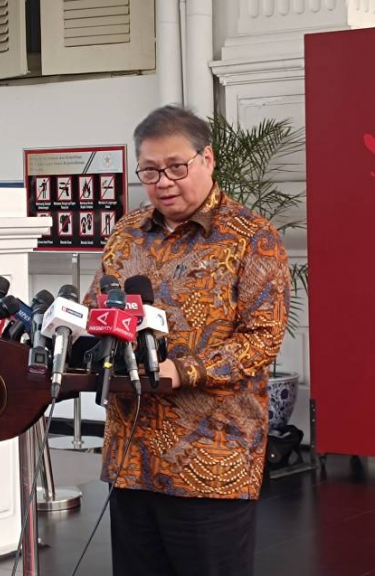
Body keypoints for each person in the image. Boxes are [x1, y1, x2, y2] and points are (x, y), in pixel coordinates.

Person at [83, 105, 291, 576]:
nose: (164, 182)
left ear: (207, 160)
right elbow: (98, 309)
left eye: (177, 167)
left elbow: (262, 338)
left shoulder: (251, 237)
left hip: (210, 458)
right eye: (150, 171)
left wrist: (184, 370)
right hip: (132, 455)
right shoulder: (127, 233)